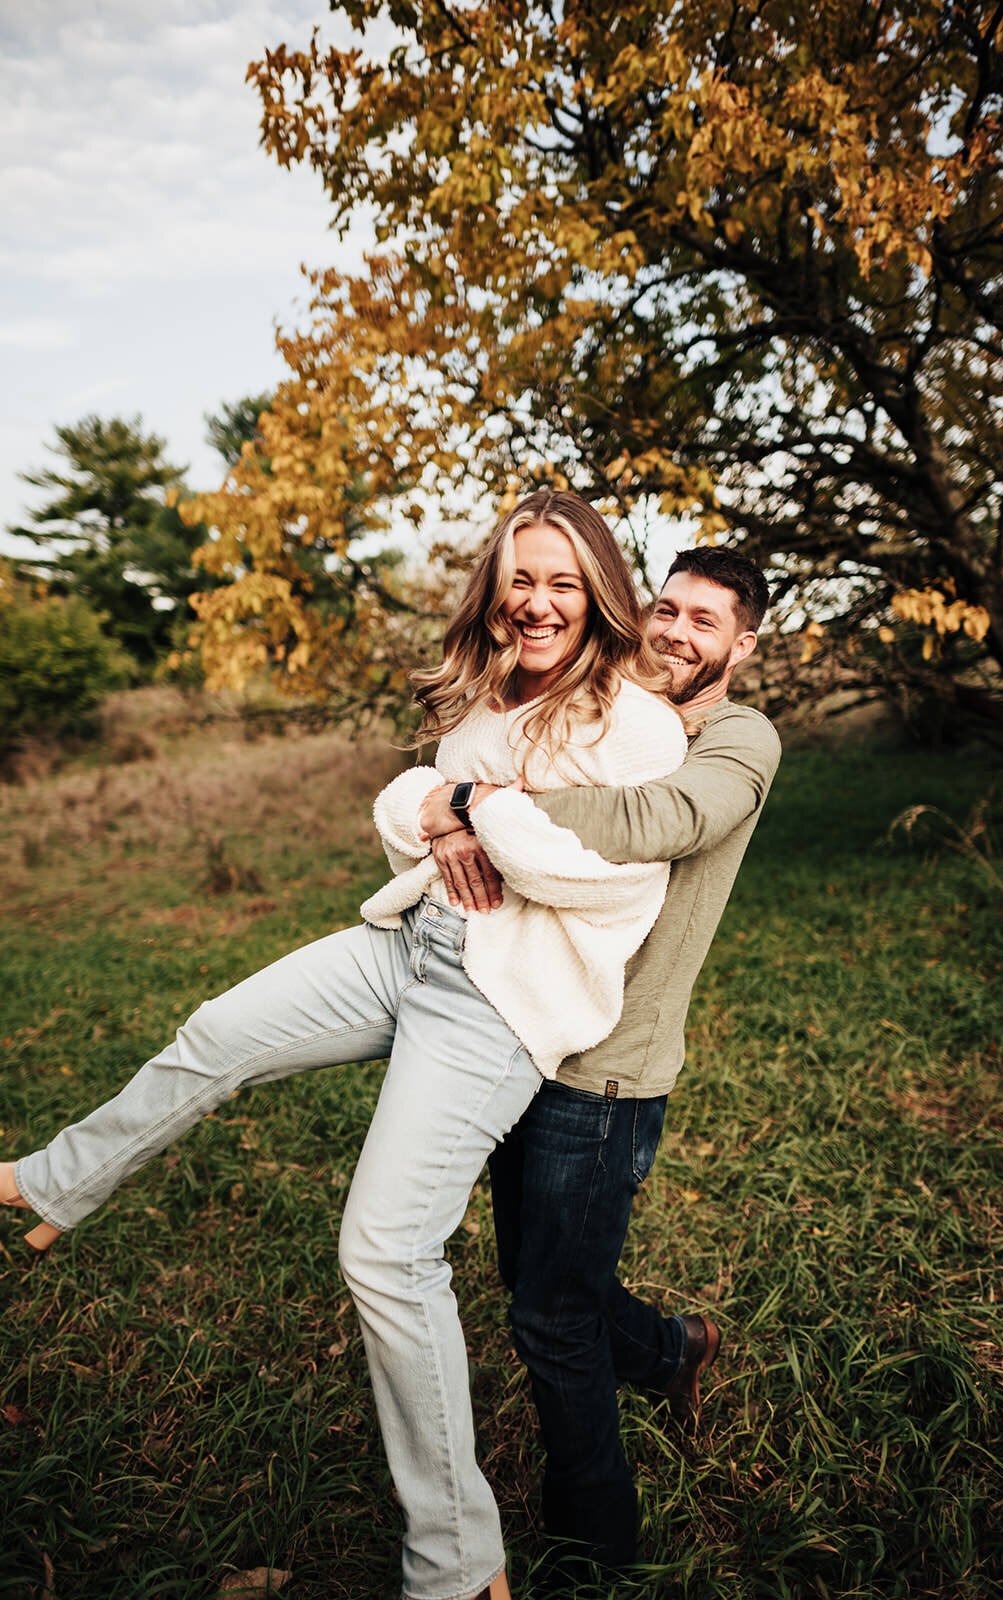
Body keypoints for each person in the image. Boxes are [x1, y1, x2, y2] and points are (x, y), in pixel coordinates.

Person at [0, 490, 690, 1600]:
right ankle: (46, 1183)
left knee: (382, 1250)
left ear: (599, 591)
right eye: (520, 577)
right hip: (408, 944)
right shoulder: (484, 696)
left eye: (562, 581)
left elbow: (609, 887)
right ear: (494, 588)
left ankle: (461, 1566)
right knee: (216, 1030)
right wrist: (445, 799)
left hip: (497, 999)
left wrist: (480, 812)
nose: (537, 601)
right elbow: (405, 800)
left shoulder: (635, 722)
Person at [421, 546, 781, 1582]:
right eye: (665, 609)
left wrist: (483, 800)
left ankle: (593, 1545)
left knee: (551, 1316)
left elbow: (655, 822)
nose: (674, 632)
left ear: (741, 646)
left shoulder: (735, 737)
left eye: (704, 622)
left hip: (610, 1070)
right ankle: (674, 1352)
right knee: (532, 1278)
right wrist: (460, 792)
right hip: (521, 1030)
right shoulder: (612, 711)